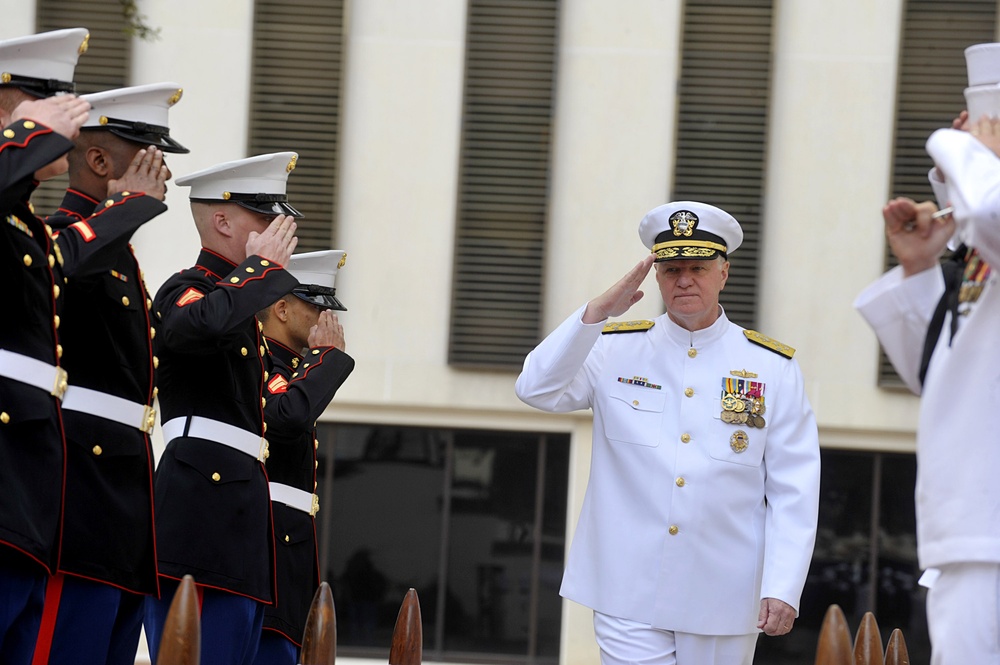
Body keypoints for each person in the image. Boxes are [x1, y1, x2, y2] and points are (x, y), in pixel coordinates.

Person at [515, 201, 821, 665]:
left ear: (724, 273)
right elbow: (536, 389)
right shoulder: (613, 347)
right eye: (671, 268)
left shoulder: (771, 367)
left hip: (724, 590)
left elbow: (794, 486)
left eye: (698, 267)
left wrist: (783, 586)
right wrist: (596, 312)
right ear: (655, 277)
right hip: (626, 585)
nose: (684, 280)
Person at [0, 28, 172, 665]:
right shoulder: (59, 232)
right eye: (146, 154)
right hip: (70, 478)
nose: (162, 170)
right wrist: (125, 210)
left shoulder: (98, 245)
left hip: (109, 490)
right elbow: (65, 261)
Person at [143, 152, 303, 665]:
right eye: (264, 217)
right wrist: (261, 273)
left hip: (243, 516)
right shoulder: (186, 288)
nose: (279, 229)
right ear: (222, 221)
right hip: (198, 510)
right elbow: (198, 326)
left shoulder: (245, 313)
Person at [854, 107, 1000, 663]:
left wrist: (953, 143)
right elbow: (942, 379)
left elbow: (989, 206)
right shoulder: (983, 264)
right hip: (971, 530)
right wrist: (921, 269)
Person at [253, 249, 355, 664]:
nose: (324, 319)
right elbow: (285, 417)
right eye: (314, 306)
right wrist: (324, 360)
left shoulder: (295, 371)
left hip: (289, 562)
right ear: (280, 308)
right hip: (264, 557)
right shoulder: (262, 363)